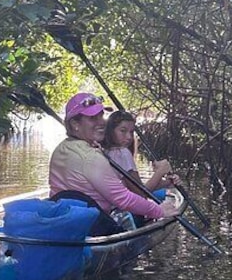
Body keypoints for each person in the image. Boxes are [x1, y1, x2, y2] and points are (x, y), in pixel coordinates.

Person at [49, 92, 181, 235]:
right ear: (75, 124)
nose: (101, 122)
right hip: (91, 225)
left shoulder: (61, 148)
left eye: (101, 115)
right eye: (93, 118)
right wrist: (159, 210)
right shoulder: (91, 157)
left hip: (62, 218)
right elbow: (123, 199)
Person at [102, 110, 181, 197]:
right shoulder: (122, 153)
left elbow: (136, 188)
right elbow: (141, 193)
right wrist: (160, 171)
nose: (129, 137)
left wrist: (168, 182)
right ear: (111, 131)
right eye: (123, 131)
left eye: (131, 132)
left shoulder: (106, 151)